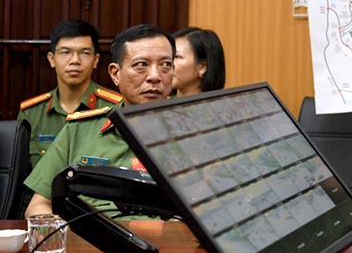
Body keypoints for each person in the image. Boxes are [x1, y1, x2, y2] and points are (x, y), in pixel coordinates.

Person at [24, 24, 176, 218]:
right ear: (115, 73)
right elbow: (38, 206)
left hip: (174, 245)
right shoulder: (79, 131)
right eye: (141, 65)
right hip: (93, 244)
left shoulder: (198, 133)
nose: (155, 76)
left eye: (165, 65)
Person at [17, 20, 123, 171]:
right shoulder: (31, 112)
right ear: (51, 59)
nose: (75, 61)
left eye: (84, 53)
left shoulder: (116, 108)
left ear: (96, 60)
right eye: (66, 52)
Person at [172, 27, 226, 96]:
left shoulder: (220, 105)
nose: (168, 64)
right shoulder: (160, 102)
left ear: (203, 67)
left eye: (177, 57)